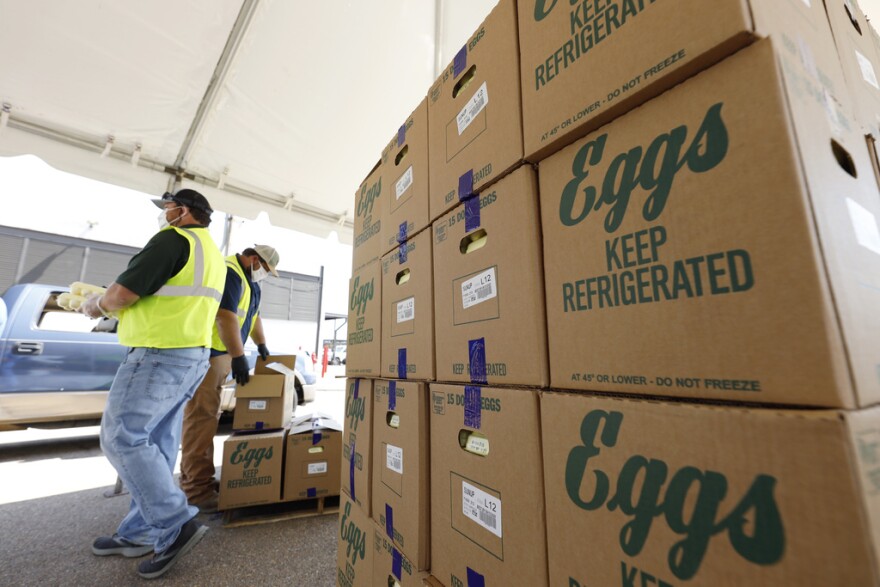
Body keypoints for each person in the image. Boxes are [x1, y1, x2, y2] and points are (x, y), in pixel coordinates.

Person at [80, 189, 226, 580]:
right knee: (156, 441)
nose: (165, 214)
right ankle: (142, 531)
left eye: (168, 208)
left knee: (122, 437)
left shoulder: (173, 240)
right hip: (189, 355)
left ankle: (174, 524)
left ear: (185, 211)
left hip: (158, 354)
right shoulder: (211, 251)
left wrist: (96, 304)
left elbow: (123, 294)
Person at [179, 244, 280, 514]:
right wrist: (238, 356)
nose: (265, 275)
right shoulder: (230, 272)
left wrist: (261, 346)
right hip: (209, 354)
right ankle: (196, 490)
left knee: (208, 419)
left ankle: (202, 483)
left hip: (221, 356)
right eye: (266, 270)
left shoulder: (251, 283)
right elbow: (225, 317)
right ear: (255, 260)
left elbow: (254, 316)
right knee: (200, 420)